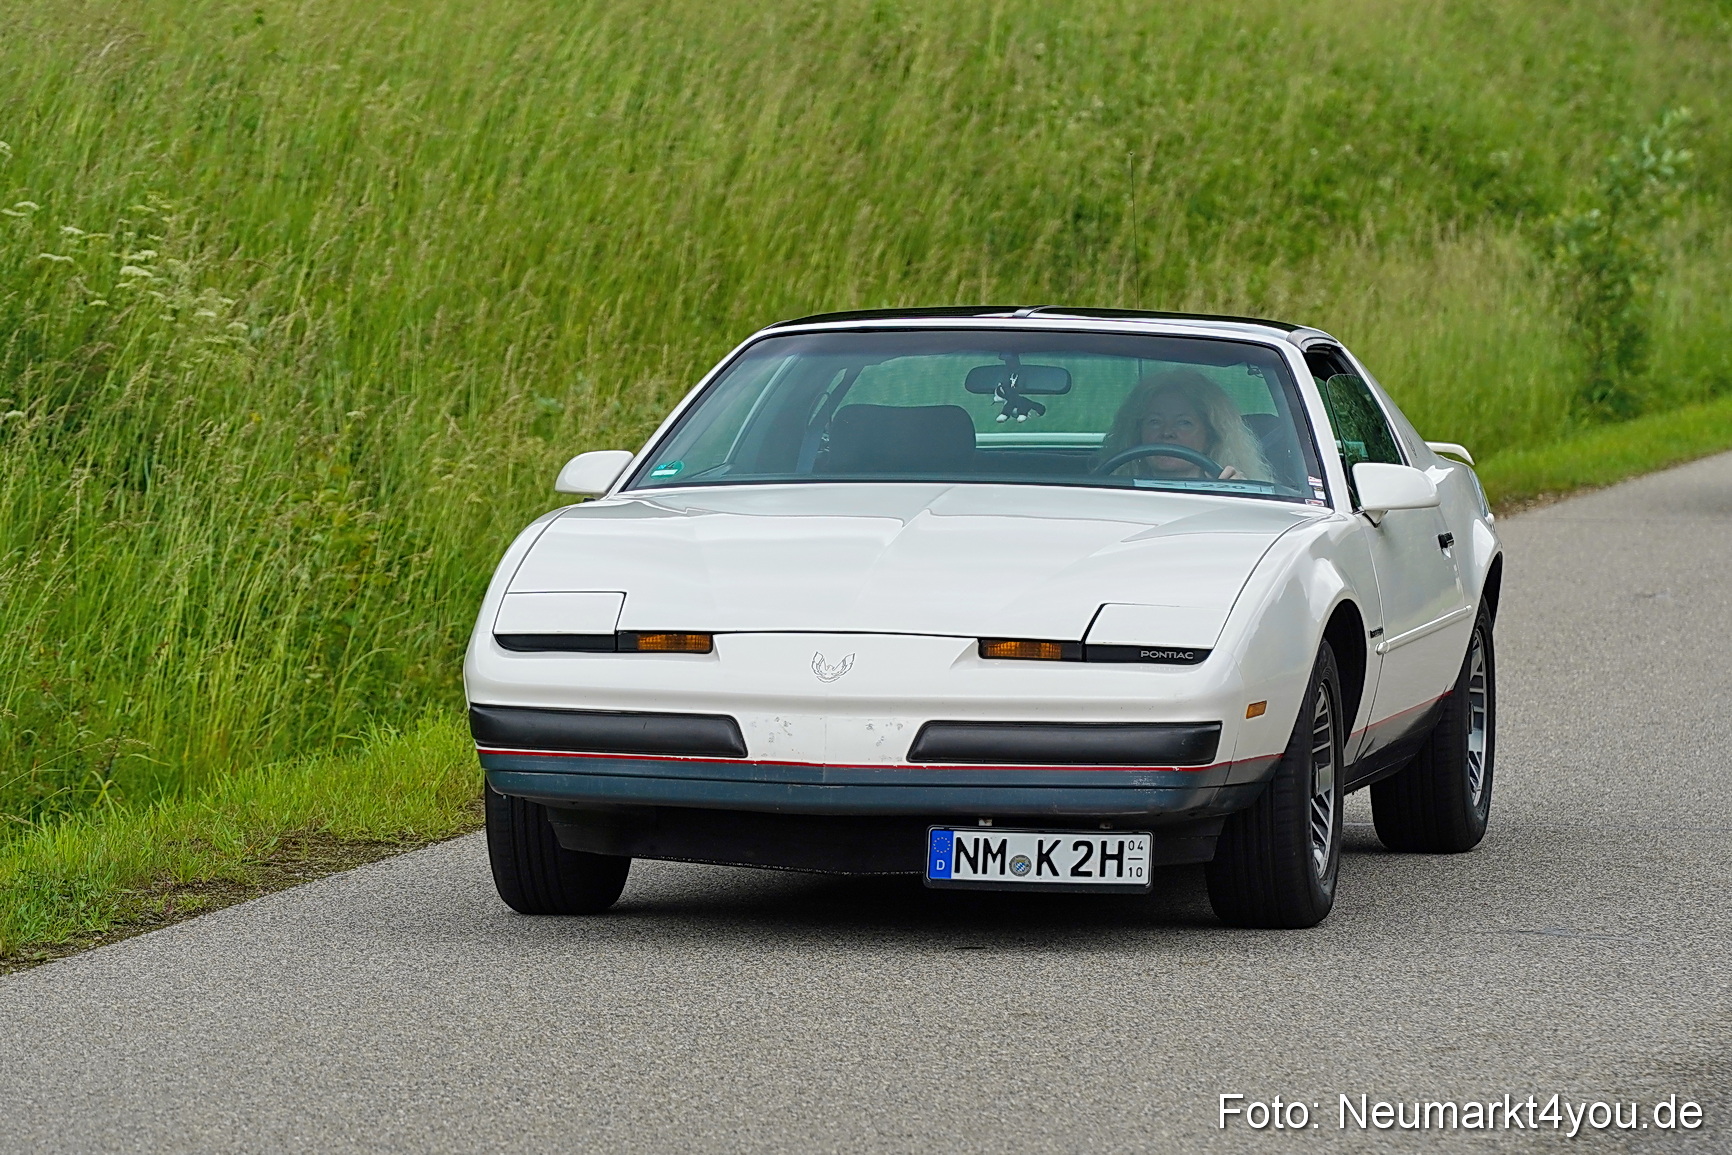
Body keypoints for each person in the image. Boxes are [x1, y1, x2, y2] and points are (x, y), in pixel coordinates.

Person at [1098, 369, 1272, 481]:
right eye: (1155, 422)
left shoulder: (1229, 491)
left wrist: (1239, 494)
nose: (1167, 432)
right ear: (1138, 433)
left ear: (1211, 434)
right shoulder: (1111, 491)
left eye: (1184, 423)